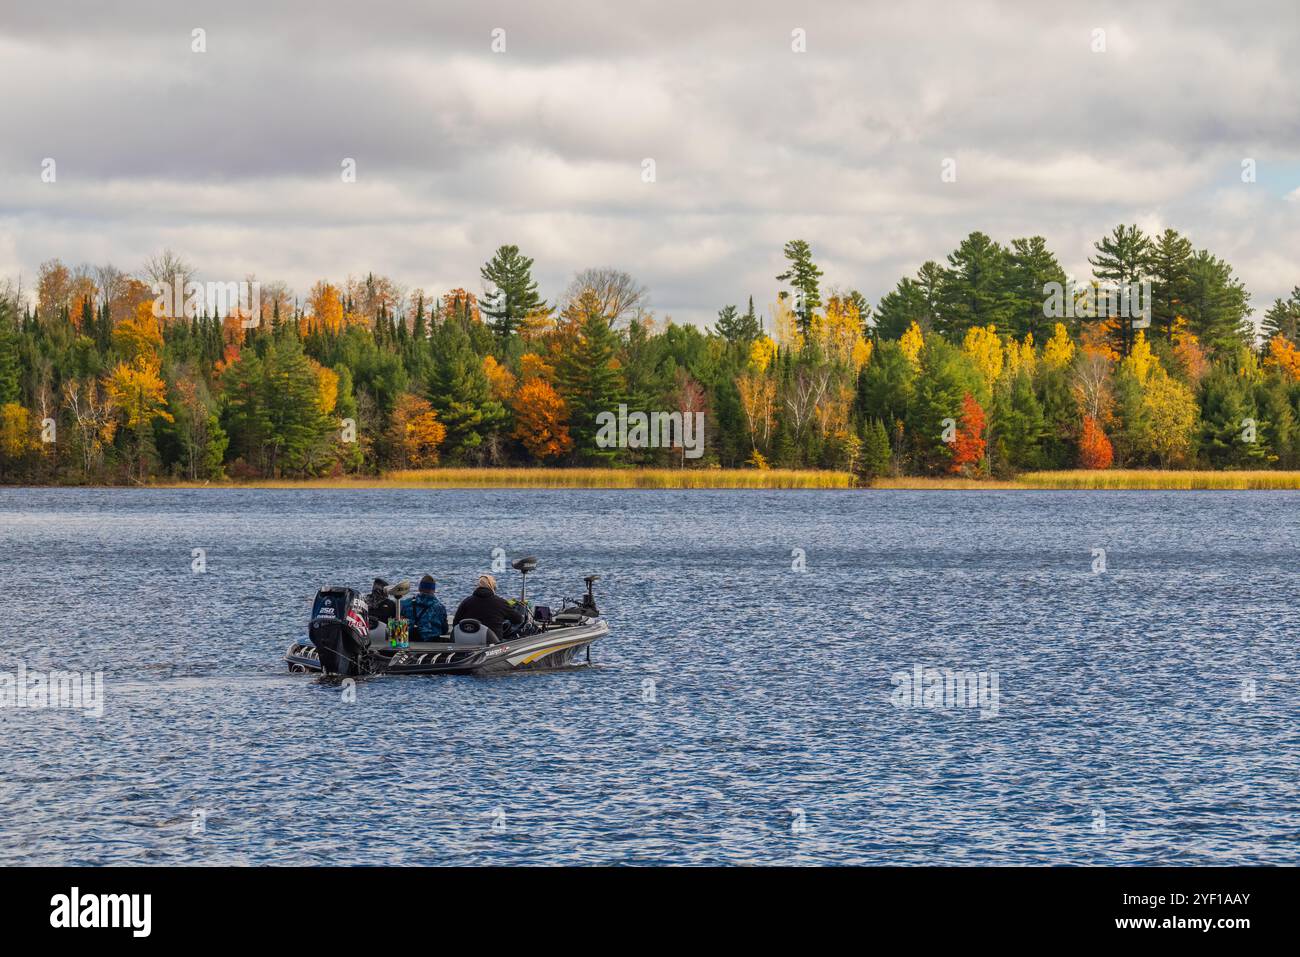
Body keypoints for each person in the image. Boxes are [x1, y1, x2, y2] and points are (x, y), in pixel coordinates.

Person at [454, 574, 524, 641]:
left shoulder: (466, 601)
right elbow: (518, 619)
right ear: (492, 586)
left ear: (477, 586)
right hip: (493, 645)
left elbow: (455, 623)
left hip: (468, 641)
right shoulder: (500, 602)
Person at [400, 574, 448, 641]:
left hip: (409, 640)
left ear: (419, 588)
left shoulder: (405, 603)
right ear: (433, 590)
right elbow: (444, 629)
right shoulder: (439, 607)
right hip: (432, 642)